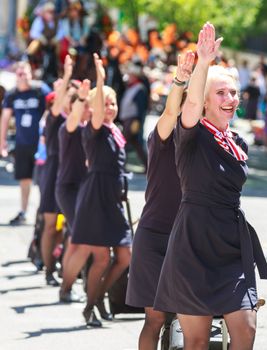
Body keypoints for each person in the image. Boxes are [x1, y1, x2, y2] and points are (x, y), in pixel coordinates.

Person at [154, 23, 267, 350]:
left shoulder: (239, 142)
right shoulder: (191, 133)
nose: (231, 99)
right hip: (193, 242)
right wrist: (203, 63)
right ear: (204, 100)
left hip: (231, 243)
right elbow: (188, 107)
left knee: (245, 330)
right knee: (196, 341)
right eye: (221, 93)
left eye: (234, 93)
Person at [126, 51, 194, 350]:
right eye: (187, 105)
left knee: (190, 321)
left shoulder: (206, 142)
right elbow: (168, 115)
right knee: (154, 320)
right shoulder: (163, 135)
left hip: (190, 238)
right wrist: (180, 80)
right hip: (155, 236)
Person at [70, 54, 132, 327]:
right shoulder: (93, 129)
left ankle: (96, 299)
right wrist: (101, 79)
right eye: (104, 103)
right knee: (102, 257)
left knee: (124, 256)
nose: (109, 107)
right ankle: (90, 307)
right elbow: (95, 111)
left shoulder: (115, 130)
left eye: (112, 102)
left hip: (113, 199)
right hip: (96, 198)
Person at [39, 55, 78, 287]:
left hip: (70, 172)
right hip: (53, 169)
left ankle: (66, 269)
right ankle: (48, 270)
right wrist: (67, 74)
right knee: (51, 224)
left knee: (67, 226)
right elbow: (58, 99)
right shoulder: (54, 118)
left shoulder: (76, 118)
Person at [1, 61, 51, 225]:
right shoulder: (12, 94)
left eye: (25, 73)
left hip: (41, 144)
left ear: (31, 73)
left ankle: (45, 212)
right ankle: (23, 211)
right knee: (24, 179)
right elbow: (5, 117)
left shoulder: (39, 90)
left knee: (44, 179)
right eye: (19, 74)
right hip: (22, 143)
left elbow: (51, 109)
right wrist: (2, 141)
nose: (22, 76)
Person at [57, 78, 90, 303]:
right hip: (69, 189)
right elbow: (76, 115)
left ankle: (71, 284)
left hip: (84, 189)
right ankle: (66, 287)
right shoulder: (69, 126)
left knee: (76, 239)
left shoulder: (90, 129)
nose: (89, 107)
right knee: (80, 239)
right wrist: (81, 98)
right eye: (84, 104)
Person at [120, 64, 149, 170]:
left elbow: (140, 107)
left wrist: (137, 121)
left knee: (123, 142)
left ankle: (120, 164)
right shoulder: (131, 87)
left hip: (132, 120)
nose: (129, 78)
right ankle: (148, 166)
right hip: (128, 119)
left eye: (131, 76)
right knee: (136, 144)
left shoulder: (139, 89)